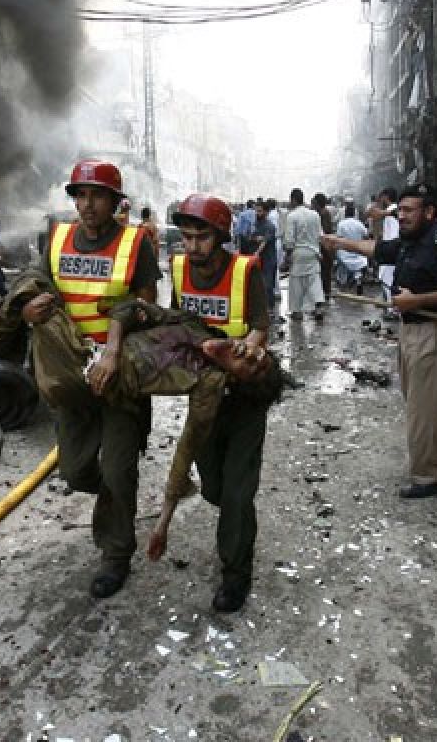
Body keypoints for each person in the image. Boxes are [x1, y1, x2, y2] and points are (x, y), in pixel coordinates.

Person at [0, 159, 160, 599]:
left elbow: (147, 310)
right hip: (71, 374)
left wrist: (115, 349)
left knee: (117, 468)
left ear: (115, 201)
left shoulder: (136, 244)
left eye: (97, 196)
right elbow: (37, 284)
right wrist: (28, 310)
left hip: (120, 372)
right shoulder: (57, 240)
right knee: (75, 472)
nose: (88, 205)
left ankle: (116, 553)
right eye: (81, 195)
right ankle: (114, 497)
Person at [322, 185, 437, 498]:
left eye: (409, 211)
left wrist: (417, 301)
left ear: (429, 212)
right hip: (412, 329)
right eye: (400, 210)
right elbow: (378, 250)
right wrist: (339, 243)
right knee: (417, 397)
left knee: (421, 406)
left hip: (434, 331)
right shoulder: (411, 240)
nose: (401, 216)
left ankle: (428, 476)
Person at [169, 193, 272, 611]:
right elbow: (177, 324)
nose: (192, 247)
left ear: (220, 237)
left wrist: (244, 352)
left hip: (243, 396)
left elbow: (261, 326)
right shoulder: (177, 269)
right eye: (186, 237)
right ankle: (236, 523)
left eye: (200, 238)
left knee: (236, 493)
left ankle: (235, 575)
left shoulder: (245, 270)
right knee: (213, 487)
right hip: (203, 398)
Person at [283, 188, 325, 320]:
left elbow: (289, 240)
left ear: (294, 200)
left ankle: (297, 311)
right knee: (314, 279)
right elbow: (320, 235)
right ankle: (318, 305)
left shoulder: (292, 216)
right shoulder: (315, 215)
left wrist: (287, 257)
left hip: (298, 252)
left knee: (296, 282)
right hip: (313, 252)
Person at [334, 202, 369, 293]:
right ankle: (358, 280)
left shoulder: (341, 224)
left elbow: (338, 238)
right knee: (358, 268)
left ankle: (343, 285)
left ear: (345, 213)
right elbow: (366, 236)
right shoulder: (359, 224)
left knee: (342, 267)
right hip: (357, 251)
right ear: (354, 213)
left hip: (344, 252)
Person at [251, 199, 278, 312]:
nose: (257, 213)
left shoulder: (270, 226)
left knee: (268, 285)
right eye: (256, 211)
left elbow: (264, 242)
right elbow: (251, 237)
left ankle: (270, 308)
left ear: (266, 212)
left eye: (260, 211)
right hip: (258, 259)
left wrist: (256, 253)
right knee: (257, 285)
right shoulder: (255, 224)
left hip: (268, 259)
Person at [316, 193, 336, 300]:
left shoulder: (323, 214)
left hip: (325, 246)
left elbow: (324, 231)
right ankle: (325, 293)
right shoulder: (323, 213)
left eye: (314, 202)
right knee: (325, 271)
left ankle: (325, 293)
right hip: (326, 245)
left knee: (325, 271)